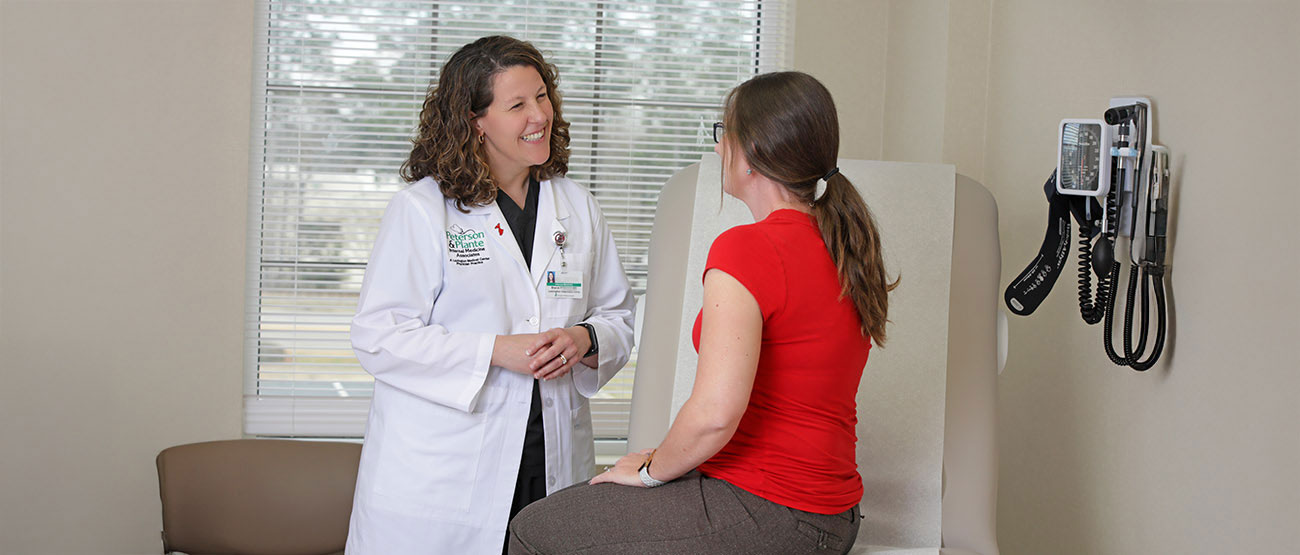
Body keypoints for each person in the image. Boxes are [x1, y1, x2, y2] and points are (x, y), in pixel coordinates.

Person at [507, 71, 897, 555]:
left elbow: (715, 415)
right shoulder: (842, 243)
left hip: (775, 508)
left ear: (752, 151)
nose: (718, 150)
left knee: (534, 530)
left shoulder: (747, 249)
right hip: (830, 511)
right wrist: (662, 459)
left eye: (724, 134)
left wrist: (650, 471)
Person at [346, 35, 635, 554]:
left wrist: (584, 338)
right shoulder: (423, 210)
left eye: (542, 97)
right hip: (447, 468)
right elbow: (379, 335)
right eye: (517, 104)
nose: (539, 116)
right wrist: (498, 350)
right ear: (475, 121)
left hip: (549, 457)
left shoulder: (577, 206)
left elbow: (617, 314)